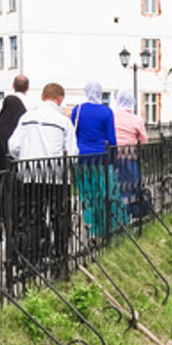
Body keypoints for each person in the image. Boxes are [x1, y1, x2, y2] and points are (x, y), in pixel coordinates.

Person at [6, 82, 78, 268]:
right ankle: (60, 256)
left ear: (42, 97)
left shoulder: (26, 118)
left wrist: (25, 158)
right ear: (59, 99)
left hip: (30, 174)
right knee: (58, 215)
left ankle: (32, 256)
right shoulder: (64, 122)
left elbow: (13, 146)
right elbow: (72, 153)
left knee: (32, 215)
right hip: (56, 176)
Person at [70, 81, 119, 238]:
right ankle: (101, 227)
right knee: (102, 192)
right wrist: (114, 160)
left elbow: (72, 134)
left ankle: (89, 224)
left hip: (83, 157)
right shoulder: (107, 112)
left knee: (86, 192)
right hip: (101, 158)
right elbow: (111, 139)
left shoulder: (77, 110)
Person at [112, 90, 149, 219]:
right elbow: (144, 140)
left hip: (113, 155)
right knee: (132, 183)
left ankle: (119, 212)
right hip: (129, 156)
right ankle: (131, 210)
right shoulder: (136, 119)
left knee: (117, 183)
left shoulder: (112, 117)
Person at [0, 75, 30, 170]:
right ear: (28, 87)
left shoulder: (4, 101)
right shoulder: (31, 103)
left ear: (13, 86)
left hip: (2, 143)